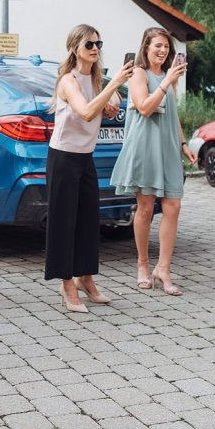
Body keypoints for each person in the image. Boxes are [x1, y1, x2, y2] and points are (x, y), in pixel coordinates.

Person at [46, 24, 134, 312]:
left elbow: (112, 102)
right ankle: (66, 284)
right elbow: (84, 112)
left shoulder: (96, 79)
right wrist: (112, 84)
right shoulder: (68, 80)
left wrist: (111, 103)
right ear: (75, 48)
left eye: (98, 44)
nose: (95, 48)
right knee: (64, 223)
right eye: (89, 44)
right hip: (63, 157)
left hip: (85, 157)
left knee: (87, 221)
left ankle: (86, 278)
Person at [111, 28, 197, 295]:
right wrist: (167, 81)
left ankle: (164, 269)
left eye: (166, 47)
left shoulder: (169, 76)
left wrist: (183, 143)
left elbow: (171, 113)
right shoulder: (139, 73)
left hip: (169, 147)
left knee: (173, 206)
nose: (163, 51)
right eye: (158, 45)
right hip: (145, 146)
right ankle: (143, 265)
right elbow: (145, 107)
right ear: (146, 47)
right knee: (146, 209)